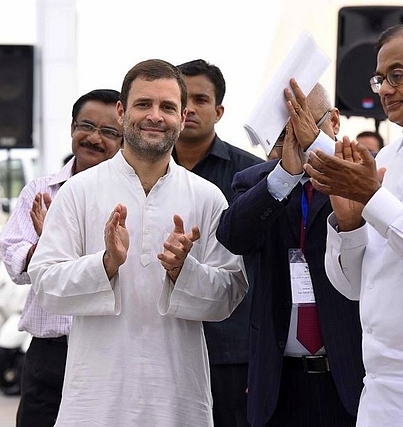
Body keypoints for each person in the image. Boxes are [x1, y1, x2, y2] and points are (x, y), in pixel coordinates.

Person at [28, 59, 248, 426]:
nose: (155, 116)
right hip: (95, 398)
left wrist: (183, 270)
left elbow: (230, 295)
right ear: (122, 110)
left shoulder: (207, 198)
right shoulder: (79, 192)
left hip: (178, 396)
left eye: (167, 107)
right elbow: (46, 287)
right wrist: (105, 264)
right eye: (143, 104)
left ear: (181, 115)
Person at [304, 22, 403, 426]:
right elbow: (354, 287)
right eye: (380, 79)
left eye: (398, 75)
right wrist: (349, 226)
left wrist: (375, 200)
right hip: (378, 389)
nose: (384, 90)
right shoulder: (388, 160)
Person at [216, 80, 364, 427]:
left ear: (335, 121)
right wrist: (285, 175)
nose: (297, 137)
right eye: (285, 131)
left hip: (350, 374)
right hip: (279, 380)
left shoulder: (363, 173)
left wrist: (323, 157)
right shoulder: (255, 181)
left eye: (307, 125)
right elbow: (233, 237)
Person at [0, 88, 123, 427]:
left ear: (124, 139)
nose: (95, 138)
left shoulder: (130, 197)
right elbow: (14, 262)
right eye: (87, 126)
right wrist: (47, 245)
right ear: (72, 129)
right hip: (49, 351)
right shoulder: (41, 190)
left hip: (107, 348)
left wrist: (54, 243)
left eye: (109, 132)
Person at [173, 58, 264, 427]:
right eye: (182, 99)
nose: (189, 109)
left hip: (231, 347)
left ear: (219, 110)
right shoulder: (141, 171)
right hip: (164, 340)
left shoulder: (253, 174)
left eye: (201, 99)